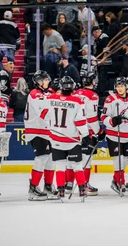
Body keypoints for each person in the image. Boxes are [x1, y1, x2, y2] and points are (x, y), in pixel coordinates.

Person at [40, 76, 90, 199]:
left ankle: (61, 190)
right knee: (77, 166)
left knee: (60, 166)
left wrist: (52, 127)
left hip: (56, 139)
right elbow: (80, 122)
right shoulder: (78, 101)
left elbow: (43, 116)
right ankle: (82, 189)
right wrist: (85, 136)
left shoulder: (50, 98)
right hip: (72, 140)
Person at [101, 77, 128, 194]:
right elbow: (103, 117)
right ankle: (119, 182)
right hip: (114, 135)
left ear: (126, 87)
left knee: (126, 158)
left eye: (121, 86)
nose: (120, 88)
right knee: (118, 159)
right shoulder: (110, 99)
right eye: (118, 86)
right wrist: (112, 121)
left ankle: (115, 179)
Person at [24, 71, 58, 201]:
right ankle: (33, 188)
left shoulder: (46, 92)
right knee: (42, 157)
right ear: (39, 82)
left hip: (45, 131)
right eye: (45, 80)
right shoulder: (34, 94)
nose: (47, 82)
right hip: (36, 130)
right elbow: (44, 112)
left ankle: (48, 186)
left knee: (49, 159)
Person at [71, 71, 104, 196]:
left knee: (71, 159)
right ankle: (84, 184)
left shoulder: (74, 93)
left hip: (74, 130)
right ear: (93, 81)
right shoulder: (93, 96)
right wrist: (98, 131)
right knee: (86, 159)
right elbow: (92, 118)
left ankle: (68, 184)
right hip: (87, 131)